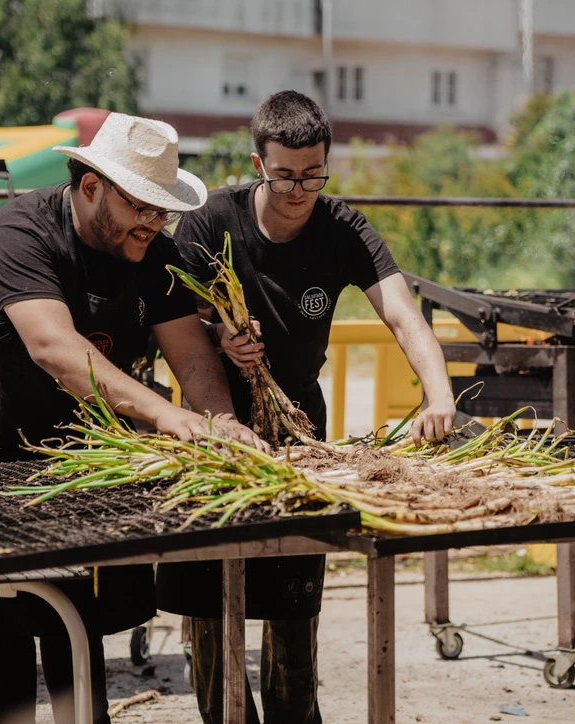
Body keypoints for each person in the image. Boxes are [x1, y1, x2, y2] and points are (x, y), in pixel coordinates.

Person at [0, 112, 266, 724]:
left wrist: (220, 422)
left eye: (162, 209)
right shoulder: (20, 234)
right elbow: (55, 350)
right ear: (91, 184)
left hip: (75, 444)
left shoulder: (154, 254)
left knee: (76, 617)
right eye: (141, 206)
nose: (153, 222)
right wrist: (163, 414)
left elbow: (194, 356)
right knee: (0, 618)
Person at [157, 90, 457, 723]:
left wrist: (439, 395)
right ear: (257, 161)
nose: (300, 189)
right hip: (211, 429)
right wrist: (220, 338)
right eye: (285, 174)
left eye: (314, 174)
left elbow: (402, 314)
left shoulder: (343, 228)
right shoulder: (212, 219)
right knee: (212, 610)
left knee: (294, 604)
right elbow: (177, 321)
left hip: (299, 434)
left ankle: (297, 714)